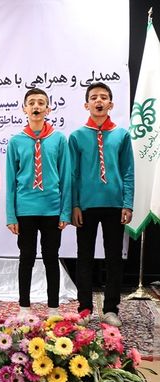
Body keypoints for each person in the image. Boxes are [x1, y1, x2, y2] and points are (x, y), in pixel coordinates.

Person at [69, 82, 134, 327]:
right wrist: (74, 204)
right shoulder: (76, 137)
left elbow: (128, 171)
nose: (99, 101)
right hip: (85, 205)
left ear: (111, 104)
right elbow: (73, 174)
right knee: (84, 257)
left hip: (115, 204)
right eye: (94, 97)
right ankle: (84, 308)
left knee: (114, 257)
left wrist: (128, 203)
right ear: (86, 104)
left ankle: (110, 309)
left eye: (104, 97)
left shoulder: (121, 135)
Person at [6, 88, 71, 317]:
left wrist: (65, 212)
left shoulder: (59, 139)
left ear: (48, 109)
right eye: (31, 102)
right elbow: (11, 181)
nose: (36, 106)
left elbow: (66, 176)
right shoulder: (16, 141)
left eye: (41, 103)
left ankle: (53, 307)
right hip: (25, 209)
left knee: (51, 258)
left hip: (52, 209)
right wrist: (11, 215)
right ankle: (24, 307)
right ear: (24, 108)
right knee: (26, 258)